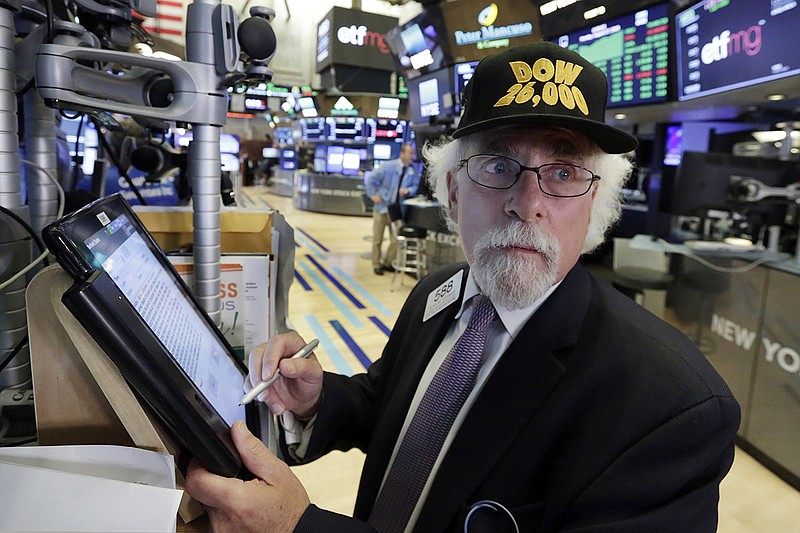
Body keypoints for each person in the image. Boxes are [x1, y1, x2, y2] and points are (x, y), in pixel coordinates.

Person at [185, 42, 740, 532]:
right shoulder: (438, 293)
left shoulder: (671, 407)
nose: (528, 204)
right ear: (452, 191)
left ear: (596, 202)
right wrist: (320, 399)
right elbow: (392, 406)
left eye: (564, 172)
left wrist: (298, 529)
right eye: (499, 165)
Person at [365, 143, 419, 275]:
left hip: (396, 209)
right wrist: (373, 194)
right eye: (410, 153)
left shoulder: (412, 170)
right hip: (382, 207)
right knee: (378, 239)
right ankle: (376, 264)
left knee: (396, 239)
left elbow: (415, 187)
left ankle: (388, 263)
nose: (412, 156)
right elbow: (371, 179)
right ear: (402, 154)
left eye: (412, 153)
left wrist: (408, 190)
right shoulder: (388, 166)